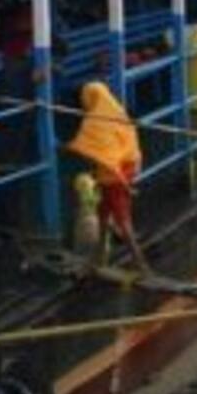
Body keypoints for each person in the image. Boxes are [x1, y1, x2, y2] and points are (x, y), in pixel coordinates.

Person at [67, 80, 149, 274]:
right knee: (103, 216)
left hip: (114, 176)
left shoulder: (94, 121)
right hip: (121, 170)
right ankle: (98, 259)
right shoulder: (116, 112)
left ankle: (142, 266)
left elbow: (94, 149)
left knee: (123, 221)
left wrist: (68, 146)